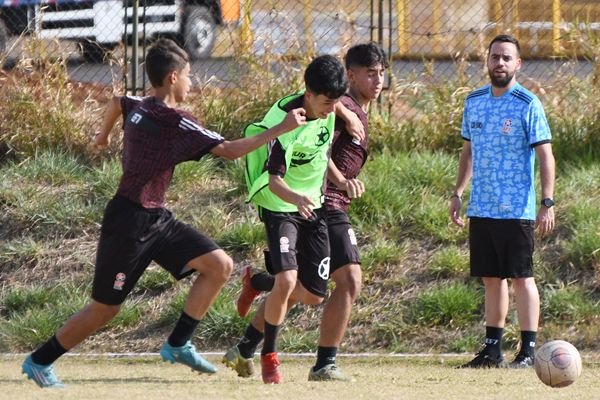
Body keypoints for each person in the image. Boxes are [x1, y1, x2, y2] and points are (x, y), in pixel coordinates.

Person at [21, 38, 307, 389]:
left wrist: (103, 136)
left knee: (219, 265)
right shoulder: (176, 121)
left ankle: (177, 343)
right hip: (129, 223)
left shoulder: (140, 104)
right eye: (189, 75)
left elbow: (117, 103)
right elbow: (231, 151)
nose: (192, 82)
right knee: (104, 308)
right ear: (173, 77)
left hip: (156, 218)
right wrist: (281, 129)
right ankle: (39, 360)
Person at [225, 43, 387, 382]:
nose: (378, 80)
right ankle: (323, 363)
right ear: (350, 74)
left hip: (327, 200)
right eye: (369, 73)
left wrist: (344, 180)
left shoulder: (338, 108)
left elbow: (319, 138)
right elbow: (310, 100)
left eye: (382, 73)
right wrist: (343, 112)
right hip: (318, 204)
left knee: (306, 290)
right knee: (347, 280)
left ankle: (251, 322)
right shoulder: (331, 105)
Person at [449, 34, 556, 369]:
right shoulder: (474, 101)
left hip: (517, 208)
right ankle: (492, 350)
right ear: (487, 61)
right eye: (495, 57)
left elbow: (546, 155)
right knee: (491, 279)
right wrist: (457, 193)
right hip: (482, 206)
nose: (499, 64)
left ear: (517, 64)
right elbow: (468, 153)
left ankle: (527, 351)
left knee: (522, 277)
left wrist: (547, 202)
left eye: (506, 58)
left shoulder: (527, 104)